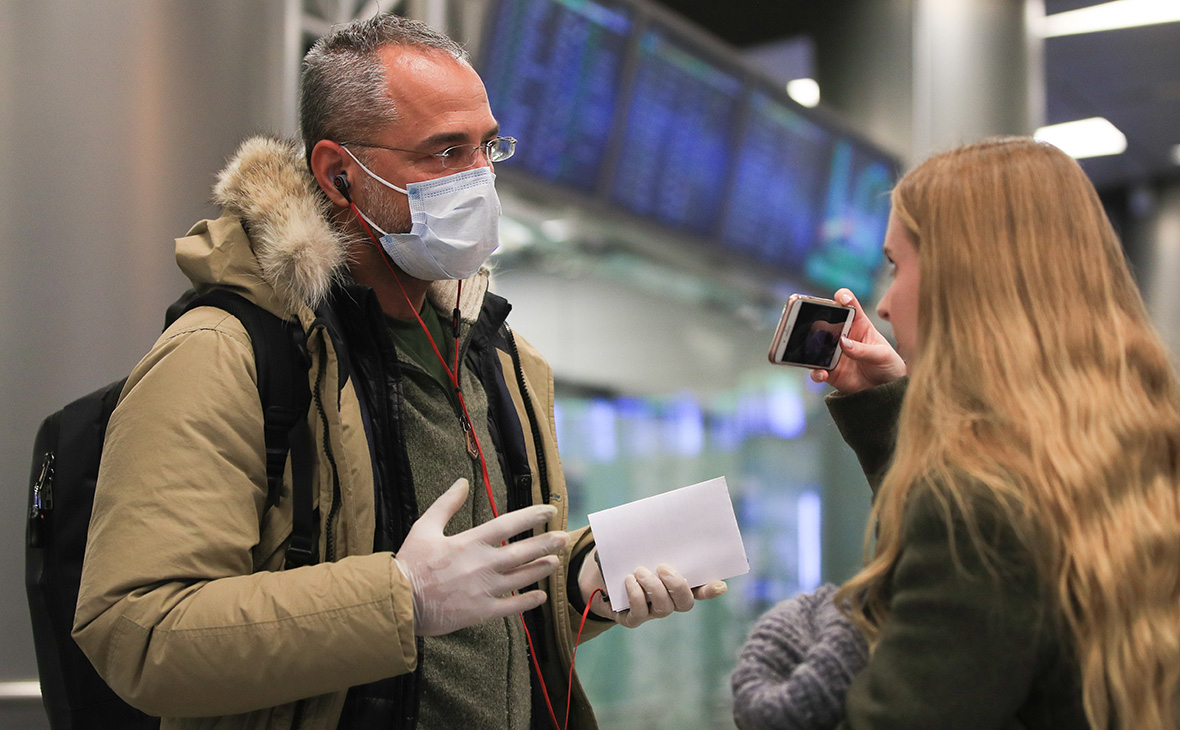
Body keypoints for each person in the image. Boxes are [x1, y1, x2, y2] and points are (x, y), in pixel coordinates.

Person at [73, 14, 725, 730]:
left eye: (487, 147)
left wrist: (579, 581)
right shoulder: (224, 354)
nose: (479, 178)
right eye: (444, 152)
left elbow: (479, 615)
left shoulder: (504, 362)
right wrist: (401, 598)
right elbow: (137, 632)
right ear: (339, 174)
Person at [735, 136, 1180, 730]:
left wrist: (788, 678)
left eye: (896, 266)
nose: (886, 305)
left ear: (963, 280)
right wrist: (890, 407)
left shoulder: (980, 510)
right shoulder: (1143, 457)